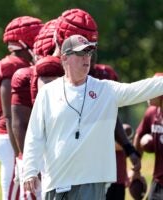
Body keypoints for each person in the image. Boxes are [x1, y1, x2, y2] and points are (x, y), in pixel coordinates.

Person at [22, 34, 163, 200]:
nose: (86, 58)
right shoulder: (48, 92)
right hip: (56, 179)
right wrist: (30, 170)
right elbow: (35, 134)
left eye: (89, 53)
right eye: (81, 53)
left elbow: (141, 88)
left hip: (90, 181)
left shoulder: (105, 90)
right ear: (65, 57)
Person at [0, 16, 43, 200]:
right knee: (16, 192)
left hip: (12, 134)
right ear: (25, 41)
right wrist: (20, 154)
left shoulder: (18, 64)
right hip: (10, 135)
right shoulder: (12, 65)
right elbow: (10, 114)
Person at [11, 55, 64, 199]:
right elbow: (19, 124)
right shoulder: (26, 78)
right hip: (40, 154)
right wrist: (28, 164)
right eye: (45, 83)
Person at [91, 64, 140, 200]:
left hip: (115, 172)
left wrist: (128, 147)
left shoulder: (106, 73)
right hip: (89, 171)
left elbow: (114, 117)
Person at [132, 72, 163, 200]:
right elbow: (139, 136)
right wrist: (136, 170)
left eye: (152, 89)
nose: (148, 94)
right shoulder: (151, 113)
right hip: (158, 182)